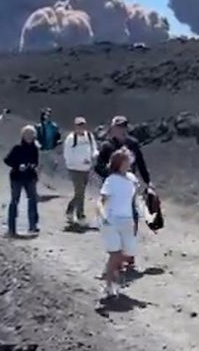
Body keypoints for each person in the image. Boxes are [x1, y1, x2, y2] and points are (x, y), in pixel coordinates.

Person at [95, 115, 153, 269]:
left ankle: (129, 254)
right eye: (119, 127)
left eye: (124, 127)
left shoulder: (132, 144)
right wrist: (111, 174)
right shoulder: (107, 146)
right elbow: (98, 166)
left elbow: (140, 163)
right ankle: (116, 254)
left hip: (129, 186)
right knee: (115, 220)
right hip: (113, 188)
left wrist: (148, 181)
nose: (122, 130)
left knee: (132, 218)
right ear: (113, 128)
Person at [96, 148, 141, 298]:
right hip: (111, 220)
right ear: (119, 162)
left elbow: (134, 199)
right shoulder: (111, 180)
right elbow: (101, 200)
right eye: (126, 160)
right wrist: (102, 214)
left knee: (127, 253)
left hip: (127, 219)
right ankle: (108, 284)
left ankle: (113, 272)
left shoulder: (132, 179)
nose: (129, 163)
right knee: (115, 254)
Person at [3, 125, 41, 236]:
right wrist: (18, 166)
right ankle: (11, 228)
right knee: (15, 201)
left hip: (30, 177)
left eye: (31, 135)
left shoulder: (34, 148)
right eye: (27, 134)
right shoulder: (17, 148)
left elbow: (36, 161)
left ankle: (33, 226)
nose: (29, 137)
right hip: (17, 177)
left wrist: (32, 166)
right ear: (23, 135)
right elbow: (7, 160)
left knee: (33, 200)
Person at [63, 116, 98, 225]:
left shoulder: (89, 136)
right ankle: (80, 214)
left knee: (80, 192)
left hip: (86, 169)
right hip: (74, 169)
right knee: (80, 192)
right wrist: (81, 161)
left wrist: (94, 155)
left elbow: (94, 148)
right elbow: (67, 154)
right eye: (79, 125)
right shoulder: (70, 139)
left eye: (83, 125)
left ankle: (71, 210)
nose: (81, 127)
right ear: (75, 126)